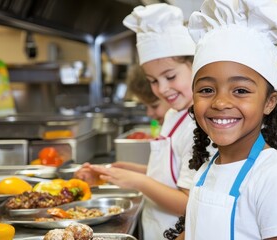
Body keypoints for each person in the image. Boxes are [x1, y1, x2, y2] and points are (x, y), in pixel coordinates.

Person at [172, 0, 277, 239]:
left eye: (240, 90)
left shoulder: (273, 176)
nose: (220, 103)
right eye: (207, 90)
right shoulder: (207, 170)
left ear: (269, 102)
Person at [75, 4, 198, 240]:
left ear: (195, 66)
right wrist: (120, 171)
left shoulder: (200, 124)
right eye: (153, 80)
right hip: (157, 229)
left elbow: (189, 204)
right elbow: (174, 174)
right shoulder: (174, 114)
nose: (162, 89)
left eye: (170, 76)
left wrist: (138, 181)